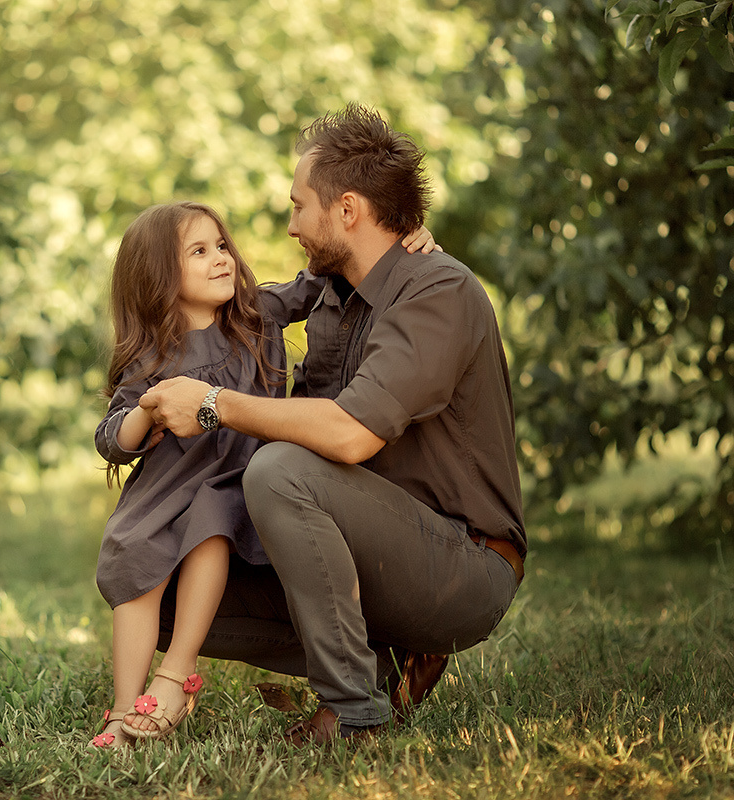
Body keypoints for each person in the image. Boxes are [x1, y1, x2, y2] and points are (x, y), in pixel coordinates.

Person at [139, 104, 526, 745]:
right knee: (160, 576)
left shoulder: (438, 292)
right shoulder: (329, 293)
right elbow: (228, 321)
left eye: (299, 207)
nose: (291, 227)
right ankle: (379, 662)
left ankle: (353, 713)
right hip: (356, 540)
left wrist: (215, 403)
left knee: (282, 471)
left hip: (462, 566)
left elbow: (349, 434)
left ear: (347, 210)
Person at [90, 200, 436, 748]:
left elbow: (326, 274)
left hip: (236, 481)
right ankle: (123, 709)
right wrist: (145, 414)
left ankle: (176, 676)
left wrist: (400, 240)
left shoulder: (257, 313)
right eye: (199, 252)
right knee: (133, 553)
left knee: (211, 527)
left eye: (221, 246)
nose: (221, 259)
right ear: (158, 278)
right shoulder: (153, 357)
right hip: (167, 487)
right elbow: (111, 439)